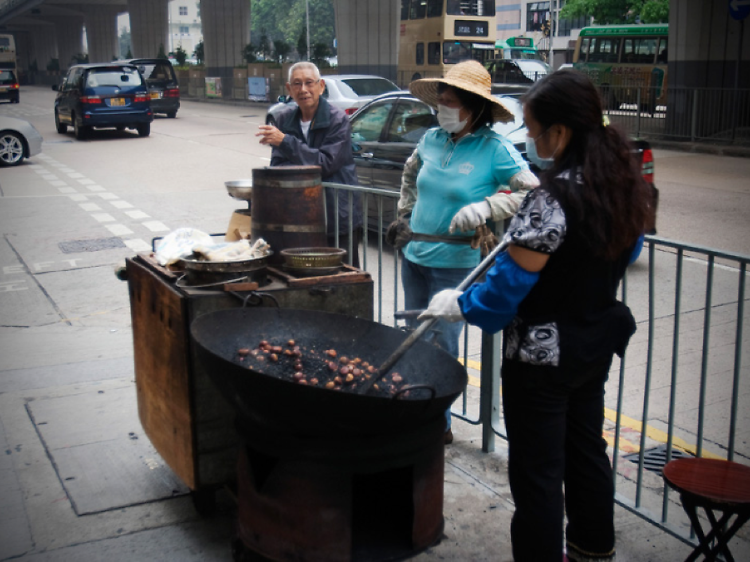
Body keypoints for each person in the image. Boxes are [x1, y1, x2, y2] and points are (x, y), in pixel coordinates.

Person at [419, 69, 655, 561]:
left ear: (561, 132)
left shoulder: (552, 199)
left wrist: (461, 304)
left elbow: (508, 289)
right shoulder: (623, 183)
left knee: (539, 473)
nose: (529, 137)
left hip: (541, 358)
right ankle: (593, 550)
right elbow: (627, 251)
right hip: (594, 345)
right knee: (588, 452)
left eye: (533, 127)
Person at [398, 60, 539, 443]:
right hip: (414, 258)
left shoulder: (496, 149)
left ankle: (438, 422)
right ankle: (414, 409)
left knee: (442, 344)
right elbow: (410, 174)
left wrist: (488, 208)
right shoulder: (430, 140)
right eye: (439, 101)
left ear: (473, 107)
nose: (441, 108)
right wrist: (404, 214)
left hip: (456, 266)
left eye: (449, 102)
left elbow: (532, 191)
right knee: (413, 337)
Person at [257, 62, 363, 267]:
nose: (303, 89)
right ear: (289, 89)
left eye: (309, 83)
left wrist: (286, 143)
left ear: (321, 86)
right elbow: (278, 168)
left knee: (343, 276)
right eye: (297, 84)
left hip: (335, 218)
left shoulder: (338, 120)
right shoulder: (283, 119)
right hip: (299, 219)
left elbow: (325, 164)